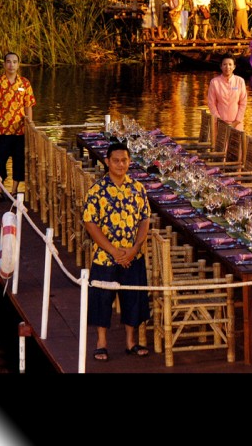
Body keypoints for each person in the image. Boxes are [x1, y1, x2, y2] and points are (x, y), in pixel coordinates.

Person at [83, 142, 151, 361]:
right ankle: (101, 342)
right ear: (107, 162)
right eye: (116, 161)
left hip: (133, 255)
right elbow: (90, 223)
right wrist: (113, 251)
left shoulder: (138, 188)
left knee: (133, 298)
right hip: (105, 256)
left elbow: (145, 219)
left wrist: (135, 248)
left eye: (124, 160)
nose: (121, 164)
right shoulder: (97, 191)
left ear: (129, 162)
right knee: (102, 299)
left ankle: (131, 341)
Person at [0, 52, 36, 202]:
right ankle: (0, 190)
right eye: (8, 62)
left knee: (19, 161)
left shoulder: (25, 83)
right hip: (2, 130)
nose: (11, 65)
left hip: (20, 131)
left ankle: (14, 190)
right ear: (4, 64)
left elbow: (28, 106)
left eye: (15, 62)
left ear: (18, 65)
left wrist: (29, 126)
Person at [207, 54, 247, 131]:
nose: (227, 67)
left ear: (234, 67)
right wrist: (219, 121)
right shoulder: (214, 82)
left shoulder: (240, 81)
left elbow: (243, 103)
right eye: (224, 64)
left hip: (237, 124)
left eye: (230, 64)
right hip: (219, 124)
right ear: (221, 66)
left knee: (237, 139)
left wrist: (236, 122)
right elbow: (211, 103)